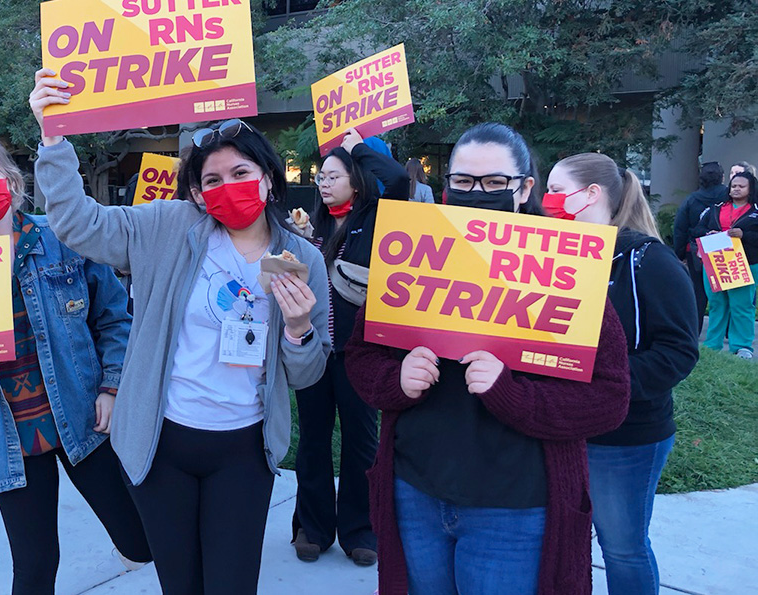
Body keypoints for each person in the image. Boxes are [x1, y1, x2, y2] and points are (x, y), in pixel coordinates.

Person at [30, 69, 330, 594]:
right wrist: (53, 138)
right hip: (162, 442)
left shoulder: (300, 258)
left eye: (240, 172)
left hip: (243, 450)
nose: (227, 187)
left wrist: (300, 329)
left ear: (266, 177)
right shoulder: (166, 227)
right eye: (211, 180)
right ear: (196, 191)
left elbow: (306, 374)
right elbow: (77, 224)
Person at [346, 123, 632, 595]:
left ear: (524, 189)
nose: (477, 193)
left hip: (516, 509)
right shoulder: (414, 254)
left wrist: (512, 394)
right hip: (415, 493)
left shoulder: (565, 270)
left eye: (494, 183)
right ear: (446, 185)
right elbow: (360, 356)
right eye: (463, 181)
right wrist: (396, 379)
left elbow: (608, 398)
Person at [0, 133, 152, 594]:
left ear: (12, 181)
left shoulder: (64, 239)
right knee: (35, 568)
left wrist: (112, 387)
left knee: (143, 539)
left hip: (83, 419)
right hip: (7, 438)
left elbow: (114, 318)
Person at [545, 153, 699, 595]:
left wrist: (605, 386)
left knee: (622, 548)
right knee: (565, 541)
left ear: (591, 194)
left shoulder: (649, 261)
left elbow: (678, 352)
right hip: (564, 427)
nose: (546, 199)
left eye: (556, 189)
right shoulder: (553, 254)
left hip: (628, 436)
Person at [290, 129, 409, 566]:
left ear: (356, 181)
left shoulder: (377, 218)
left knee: (361, 442)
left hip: (359, 352)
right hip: (315, 349)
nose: (322, 182)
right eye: (320, 175)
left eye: (333, 175)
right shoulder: (309, 224)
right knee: (313, 442)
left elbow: (398, 180)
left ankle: (361, 529)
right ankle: (312, 527)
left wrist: (357, 146)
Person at [691, 171, 758, 359]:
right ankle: (712, 345)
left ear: (751, 189)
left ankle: (742, 347)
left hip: (745, 263)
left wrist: (744, 235)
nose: (736, 189)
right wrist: (708, 233)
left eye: (741, 186)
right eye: (733, 186)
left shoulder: (755, 211)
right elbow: (696, 229)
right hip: (715, 261)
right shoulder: (715, 208)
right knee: (717, 303)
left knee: (741, 305)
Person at [673, 162, 727, 331]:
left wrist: (679, 253)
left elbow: (680, 228)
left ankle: (694, 329)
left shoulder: (691, 199)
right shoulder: (730, 197)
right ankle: (727, 330)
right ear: (722, 178)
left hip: (697, 249)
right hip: (726, 246)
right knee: (727, 290)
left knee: (698, 291)